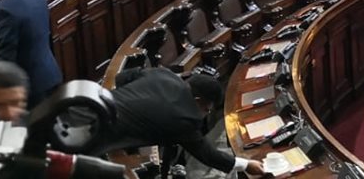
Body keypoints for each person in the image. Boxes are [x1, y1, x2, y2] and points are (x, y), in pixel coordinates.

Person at [93, 67, 263, 176]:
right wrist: (246, 164)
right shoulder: (183, 120)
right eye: (208, 110)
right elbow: (208, 155)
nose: (206, 114)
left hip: (91, 104)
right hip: (95, 136)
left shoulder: (163, 74)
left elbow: (123, 77)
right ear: (198, 101)